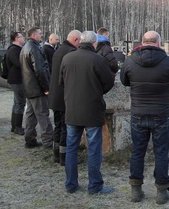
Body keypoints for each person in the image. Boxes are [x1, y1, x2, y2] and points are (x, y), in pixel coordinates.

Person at [120, 31, 169, 204]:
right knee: (161, 152)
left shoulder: (130, 61)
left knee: (137, 151)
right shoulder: (168, 62)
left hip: (138, 114)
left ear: (142, 42)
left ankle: (136, 190)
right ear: (158, 43)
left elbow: (124, 80)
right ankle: (162, 192)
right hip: (161, 114)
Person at [60, 31, 115, 194]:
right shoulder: (98, 60)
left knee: (71, 148)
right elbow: (108, 83)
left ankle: (71, 184)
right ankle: (95, 186)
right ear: (94, 44)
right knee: (94, 149)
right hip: (92, 109)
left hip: (72, 109)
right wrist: (96, 91)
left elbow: (61, 82)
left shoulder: (67, 58)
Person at [49, 29, 81, 165]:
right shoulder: (71, 53)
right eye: (80, 42)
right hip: (64, 96)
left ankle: (56, 154)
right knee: (65, 127)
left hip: (55, 95)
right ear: (75, 40)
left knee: (58, 126)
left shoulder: (59, 50)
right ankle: (64, 157)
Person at [20, 27, 54, 149]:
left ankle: (29, 139)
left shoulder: (25, 48)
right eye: (40, 34)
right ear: (33, 35)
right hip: (37, 88)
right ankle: (48, 141)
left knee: (31, 114)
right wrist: (46, 87)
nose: (42, 35)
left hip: (29, 87)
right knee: (42, 114)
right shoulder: (34, 49)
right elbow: (40, 69)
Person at [6, 32, 26, 135]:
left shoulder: (14, 49)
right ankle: (17, 127)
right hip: (16, 80)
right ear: (17, 38)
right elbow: (18, 63)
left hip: (15, 79)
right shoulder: (14, 50)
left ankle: (14, 126)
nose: (24, 38)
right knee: (20, 103)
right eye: (22, 37)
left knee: (17, 103)